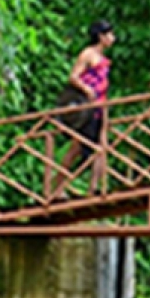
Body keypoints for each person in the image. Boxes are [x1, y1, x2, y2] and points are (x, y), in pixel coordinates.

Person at [53, 20, 114, 197]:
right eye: (109, 35)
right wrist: (87, 89)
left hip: (100, 106)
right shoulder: (88, 54)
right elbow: (73, 76)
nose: (112, 38)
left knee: (101, 146)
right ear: (101, 37)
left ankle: (95, 188)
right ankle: (58, 188)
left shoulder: (103, 59)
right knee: (77, 148)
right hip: (86, 107)